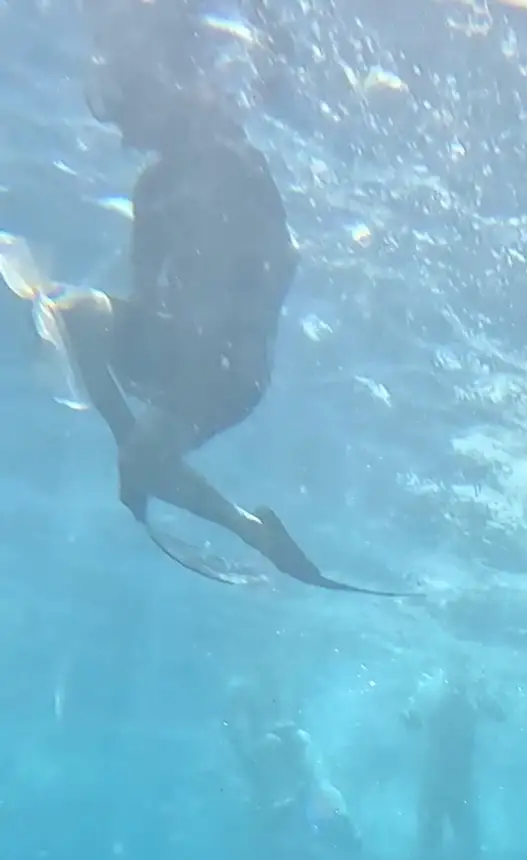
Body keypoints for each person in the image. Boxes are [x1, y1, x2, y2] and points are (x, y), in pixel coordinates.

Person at [31, 1, 376, 588]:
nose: (122, 131)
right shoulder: (154, 188)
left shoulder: (231, 159)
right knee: (73, 312)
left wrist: (221, 333)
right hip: (177, 348)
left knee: (146, 458)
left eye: (126, 106)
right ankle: (137, 451)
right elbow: (144, 293)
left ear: (160, 90)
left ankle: (238, 521)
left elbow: (279, 267)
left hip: (230, 367)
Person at [403, 666, 501, 860]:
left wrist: (483, 695)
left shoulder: (459, 699)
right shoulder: (438, 697)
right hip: (447, 787)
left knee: (458, 854)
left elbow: (499, 714)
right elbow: (411, 718)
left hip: (448, 787)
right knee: (437, 853)